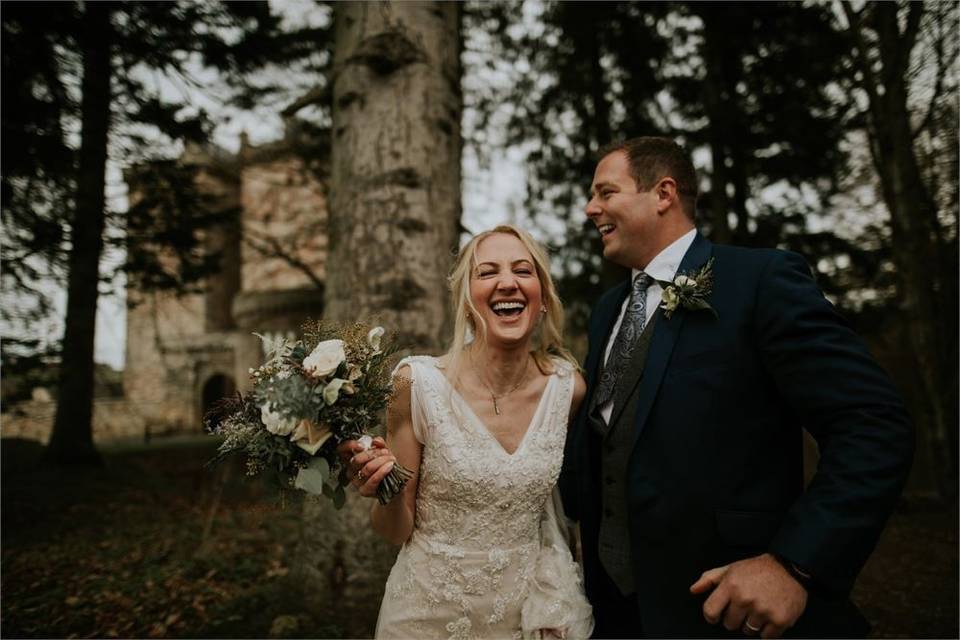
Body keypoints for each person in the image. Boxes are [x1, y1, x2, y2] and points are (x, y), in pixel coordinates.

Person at [560, 136, 913, 638]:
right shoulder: (606, 312)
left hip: (728, 613)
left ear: (663, 194)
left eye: (605, 192)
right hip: (615, 613)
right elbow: (603, 451)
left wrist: (796, 564)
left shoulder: (760, 280)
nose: (590, 208)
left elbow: (873, 424)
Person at [342, 225, 594, 639]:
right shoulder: (416, 384)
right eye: (487, 272)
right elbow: (395, 530)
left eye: (522, 271)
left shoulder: (568, 389)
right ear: (466, 298)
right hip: (425, 616)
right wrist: (383, 488)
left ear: (543, 297)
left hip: (525, 618)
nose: (507, 283)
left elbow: (559, 508)